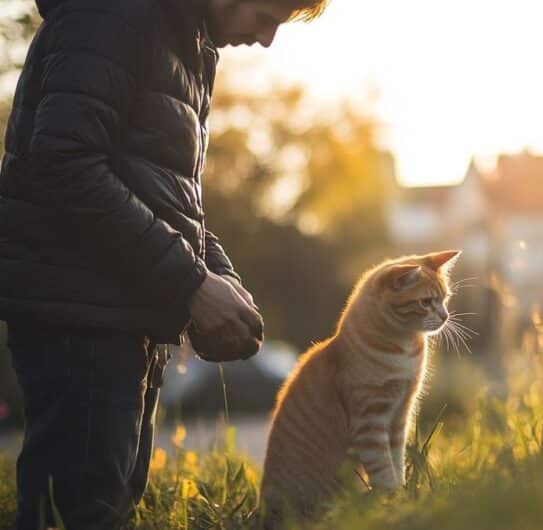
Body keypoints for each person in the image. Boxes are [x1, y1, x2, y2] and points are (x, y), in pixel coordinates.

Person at [0, 0, 327, 527]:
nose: (267, 39)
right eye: (266, 15)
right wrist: (193, 285)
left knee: (109, 506)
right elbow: (63, 164)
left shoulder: (188, 43)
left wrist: (220, 280)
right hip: (78, 318)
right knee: (81, 513)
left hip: (122, 313)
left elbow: (166, 197)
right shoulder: (114, 14)